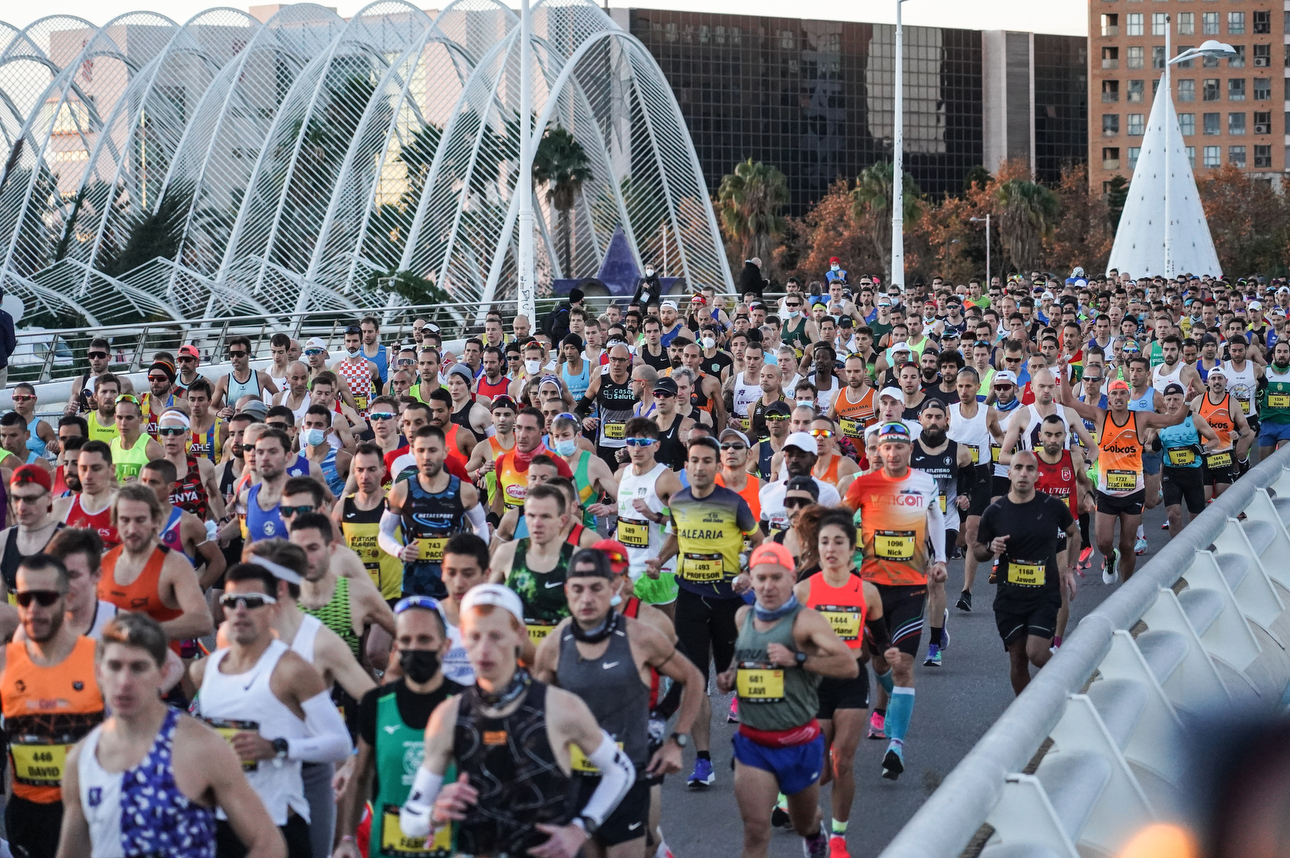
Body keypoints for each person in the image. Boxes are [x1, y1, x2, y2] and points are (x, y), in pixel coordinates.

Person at [398, 584, 636, 858]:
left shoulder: (559, 706)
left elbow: (621, 771)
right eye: (475, 637)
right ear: (462, 636)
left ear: (519, 635)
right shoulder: (449, 715)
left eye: (496, 636)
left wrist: (580, 828)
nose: (484, 650)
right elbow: (409, 820)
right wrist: (433, 815)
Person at [55, 613, 286, 858]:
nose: (124, 682)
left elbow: (268, 843)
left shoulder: (201, 747)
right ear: (99, 672)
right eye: (115, 666)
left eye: (138, 668)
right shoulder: (83, 757)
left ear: (163, 673)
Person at [532, 548, 705, 858]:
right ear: (567, 591)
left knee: (647, 844)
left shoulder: (642, 634)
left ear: (613, 587)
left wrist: (676, 739)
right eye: (577, 589)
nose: (586, 598)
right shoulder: (555, 643)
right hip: (576, 780)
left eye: (596, 588)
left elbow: (693, 677)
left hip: (629, 773)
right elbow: (533, 709)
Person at [188, 562, 353, 858]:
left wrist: (278, 747)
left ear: (273, 609)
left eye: (252, 602)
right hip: (220, 821)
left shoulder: (293, 670)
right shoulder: (204, 670)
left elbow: (339, 742)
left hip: (279, 820)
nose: (240, 610)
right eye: (231, 602)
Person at [717, 541, 859, 858]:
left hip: (798, 743)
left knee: (803, 820)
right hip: (753, 742)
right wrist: (729, 676)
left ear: (791, 578)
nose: (768, 586)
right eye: (761, 578)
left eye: (776, 578)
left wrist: (796, 658)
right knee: (756, 832)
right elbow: (743, 660)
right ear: (751, 580)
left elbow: (848, 665)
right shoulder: (743, 617)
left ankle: (814, 835)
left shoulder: (805, 621)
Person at [240, 539, 375, 858]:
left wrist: (357, 759)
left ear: (280, 587)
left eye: (251, 580)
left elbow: (376, 701)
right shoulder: (234, 635)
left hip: (309, 776)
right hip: (252, 774)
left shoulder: (320, 641)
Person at [646, 436, 764, 790]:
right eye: (694, 461)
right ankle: (702, 760)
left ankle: (751, 745)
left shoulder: (734, 502)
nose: (699, 467)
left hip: (728, 601)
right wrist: (660, 560)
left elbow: (760, 543)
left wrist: (748, 574)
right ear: (687, 465)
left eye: (706, 461)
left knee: (738, 679)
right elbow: (677, 536)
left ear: (717, 466)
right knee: (693, 678)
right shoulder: (678, 500)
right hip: (690, 598)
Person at [843, 421, 945, 777]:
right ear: (878, 450)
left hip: (911, 587)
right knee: (879, 662)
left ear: (909, 449)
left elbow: (935, 516)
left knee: (902, 665)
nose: (893, 452)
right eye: (887, 447)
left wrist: (941, 559)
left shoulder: (924, 482)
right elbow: (841, 522)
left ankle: (896, 746)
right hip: (870, 587)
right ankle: (893, 709)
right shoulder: (863, 484)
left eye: (900, 446)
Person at [333, 594, 464, 858]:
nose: (415, 648)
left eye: (425, 639)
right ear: (395, 647)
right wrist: (346, 839)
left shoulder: (465, 705)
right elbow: (360, 777)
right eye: (405, 640)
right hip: (387, 847)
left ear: (446, 645)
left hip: (451, 846)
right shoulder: (376, 704)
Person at [793, 511, 888, 858]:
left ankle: (838, 838)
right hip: (814, 684)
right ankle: (809, 824)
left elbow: (880, 639)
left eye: (838, 542)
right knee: (819, 771)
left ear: (852, 551)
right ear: (817, 549)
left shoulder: (867, 592)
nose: (831, 549)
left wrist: (889, 653)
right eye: (824, 542)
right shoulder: (803, 590)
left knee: (843, 763)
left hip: (851, 680)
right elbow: (792, 639)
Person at [0, 553, 106, 858]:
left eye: (45, 598)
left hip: (88, 816)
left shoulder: (101, 658)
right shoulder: (6, 662)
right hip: (26, 818)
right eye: (24, 599)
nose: (34, 609)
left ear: (66, 598)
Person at [1062, 377, 1186, 584]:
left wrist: (1188, 402)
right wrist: (1064, 371)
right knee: (1103, 542)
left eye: (1122, 393)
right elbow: (1069, 400)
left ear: (1129, 397)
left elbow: (1174, 420)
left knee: (1128, 545)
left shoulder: (1141, 418)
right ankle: (1110, 558)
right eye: (1114, 394)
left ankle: (1126, 589)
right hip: (1107, 493)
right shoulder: (1100, 417)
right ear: (1108, 399)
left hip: (1133, 493)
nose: (1118, 397)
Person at [975, 451, 1079, 695]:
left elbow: (1074, 533)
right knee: (1018, 658)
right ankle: (1029, 717)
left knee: (1037, 652)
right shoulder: (995, 511)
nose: (1023, 473)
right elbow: (978, 550)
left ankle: (1070, 684)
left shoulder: (1052, 506)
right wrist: (991, 548)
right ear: (1009, 472)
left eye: (1029, 469)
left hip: (1044, 594)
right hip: (1009, 597)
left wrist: (1070, 570)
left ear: (1037, 475)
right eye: (1018, 468)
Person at [99, 485, 214, 646]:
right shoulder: (102, 564)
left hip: (157, 667)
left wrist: (140, 632)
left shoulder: (175, 564)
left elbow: (202, 622)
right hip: (109, 667)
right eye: (125, 520)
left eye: (140, 520)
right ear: (115, 521)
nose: (132, 529)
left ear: (155, 521)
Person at [382, 425, 487, 598]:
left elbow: (481, 526)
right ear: (413, 453)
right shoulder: (401, 491)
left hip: (454, 587)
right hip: (413, 585)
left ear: (445, 452)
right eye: (421, 450)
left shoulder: (464, 491)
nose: (426, 457)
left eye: (432, 450)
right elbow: (384, 532)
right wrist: (399, 551)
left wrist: (476, 557)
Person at [909, 399, 972, 667]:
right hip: (911, 524)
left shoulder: (960, 452)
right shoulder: (909, 451)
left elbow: (975, 481)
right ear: (920, 419)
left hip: (945, 522)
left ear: (947, 420)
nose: (933, 422)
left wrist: (967, 497)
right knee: (916, 586)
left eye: (938, 417)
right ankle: (938, 619)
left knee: (935, 580)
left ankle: (934, 645)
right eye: (928, 416)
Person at [489, 484, 577, 645]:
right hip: (518, 657)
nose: (537, 523)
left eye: (545, 516)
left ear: (562, 520)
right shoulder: (507, 554)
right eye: (531, 516)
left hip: (561, 655)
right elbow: (487, 605)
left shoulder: (577, 559)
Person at [614, 416, 684, 616]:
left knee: (664, 634)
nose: (637, 448)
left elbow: (685, 526)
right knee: (628, 632)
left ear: (656, 445)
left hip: (659, 570)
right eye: (632, 442)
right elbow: (624, 521)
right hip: (628, 572)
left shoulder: (666, 479)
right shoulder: (621, 476)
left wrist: (660, 561)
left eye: (644, 442)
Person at [332, 443, 403, 602]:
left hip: (391, 596)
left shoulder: (395, 504)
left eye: (371, 469)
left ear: (383, 471)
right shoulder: (343, 506)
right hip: (356, 596)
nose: (365, 476)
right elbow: (331, 548)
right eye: (360, 470)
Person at [0, 465, 69, 602]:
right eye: (16, 498)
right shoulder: (3, 541)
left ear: (49, 498)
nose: (21, 507)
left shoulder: (67, 540)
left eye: (30, 499)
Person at [1158, 383, 1219, 536]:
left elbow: (1215, 440)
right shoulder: (1160, 421)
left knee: (1196, 518)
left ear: (1183, 399)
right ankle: (1176, 552)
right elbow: (1149, 446)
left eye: (1177, 399)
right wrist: (1153, 445)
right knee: (1173, 515)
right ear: (1164, 402)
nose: (1172, 404)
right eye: (1169, 399)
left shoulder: (1195, 418)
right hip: (1171, 474)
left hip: (1193, 473)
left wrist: (1202, 448)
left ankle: (1196, 550)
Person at [64, 441, 119, 549]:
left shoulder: (128, 508)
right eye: (83, 469)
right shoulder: (61, 508)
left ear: (111, 470)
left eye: (96, 469)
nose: (88, 476)